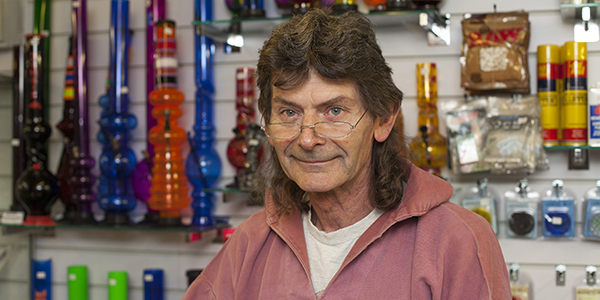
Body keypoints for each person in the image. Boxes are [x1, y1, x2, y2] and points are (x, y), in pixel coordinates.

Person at [183, 9, 511, 300]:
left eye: (334, 111)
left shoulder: (458, 242)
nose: (308, 139)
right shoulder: (250, 243)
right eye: (289, 114)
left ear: (383, 119)